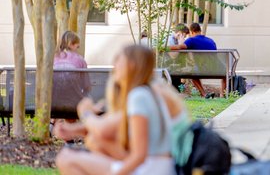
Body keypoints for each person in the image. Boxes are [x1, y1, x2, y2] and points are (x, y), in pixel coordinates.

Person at [55, 45, 188, 175]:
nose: (115, 66)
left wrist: (86, 113)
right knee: (94, 142)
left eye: (119, 60)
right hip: (158, 165)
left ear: (131, 65)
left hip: (153, 168)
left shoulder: (140, 95)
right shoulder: (147, 91)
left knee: (66, 159)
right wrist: (75, 129)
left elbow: (139, 155)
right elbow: (111, 127)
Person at [168, 23, 222, 97]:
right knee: (224, 74)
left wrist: (164, 48)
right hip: (216, 69)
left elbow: (180, 47)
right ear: (200, 30)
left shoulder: (191, 40)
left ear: (192, 32)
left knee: (192, 73)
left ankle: (203, 94)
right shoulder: (211, 41)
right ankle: (222, 94)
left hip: (201, 70)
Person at [52, 31, 91, 129]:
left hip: (53, 100)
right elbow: (86, 85)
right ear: (71, 44)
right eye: (77, 47)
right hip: (73, 102)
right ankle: (69, 138)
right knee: (74, 96)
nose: (78, 50)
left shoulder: (53, 58)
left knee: (63, 95)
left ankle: (51, 124)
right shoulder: (80, 60)